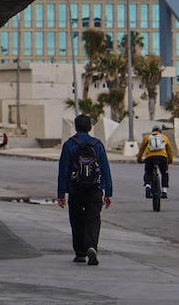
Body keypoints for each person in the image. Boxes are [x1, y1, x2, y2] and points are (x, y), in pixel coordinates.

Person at [57, 114, 113, 266]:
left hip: (75, 189)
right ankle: (91, 246)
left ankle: (80, 253)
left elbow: (63, 170)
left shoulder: (69, 145)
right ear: (90, 127)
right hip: (95, 189)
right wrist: (108, 192)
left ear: (76, 127)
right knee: (93, 219)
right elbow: (105, 169)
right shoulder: (98, 145)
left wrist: (61, 194)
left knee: (76, 220)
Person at [136, 125, 174, 198]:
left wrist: (139, 159)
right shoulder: (164, 137)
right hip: (162, 157)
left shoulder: (147, 137)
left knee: (148, 172)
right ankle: (164, 191)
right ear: (160, 131)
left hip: (150, 158)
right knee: (164, 173)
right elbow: (169, 150)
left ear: (152, 131)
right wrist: (170, 160)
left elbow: (141, 149)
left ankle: (148, 186)